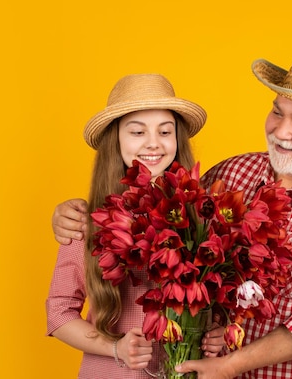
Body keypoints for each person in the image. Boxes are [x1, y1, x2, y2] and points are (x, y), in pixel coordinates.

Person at [52, 48, 292, 379]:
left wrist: (229, 363)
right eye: (277, 112)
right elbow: (165, 206)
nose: (281, 131)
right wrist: (72, 213)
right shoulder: (235, 174)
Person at [45, 73, 225, 379]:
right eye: (137, 132)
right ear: (115, 140)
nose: (153, 143)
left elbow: (216, 301)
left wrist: (216, 333)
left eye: (165, 131)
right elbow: (59, 313)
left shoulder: (202, 218)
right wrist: (114, 347)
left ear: (177, 140)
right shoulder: (88, 223)